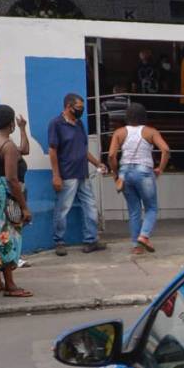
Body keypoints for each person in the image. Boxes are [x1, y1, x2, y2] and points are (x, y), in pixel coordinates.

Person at [0, 103, 32, 297]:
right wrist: (24, 207)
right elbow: (12, 178)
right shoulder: (7, 146)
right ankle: (10, 285)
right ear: (10, 123)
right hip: (5, 192)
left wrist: (23, 129)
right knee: (7, 235)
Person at [48, 93, 109, 257]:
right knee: (63, 209)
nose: (81, 111)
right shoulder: (56, 124)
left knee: (90, 207)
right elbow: (52, 151)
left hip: (82, 173)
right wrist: (56, 175)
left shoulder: (79, 124)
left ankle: (91, 240)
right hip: (67, 175)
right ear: (68, 107)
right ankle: (59, 241)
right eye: (79, 108)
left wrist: (97, 163)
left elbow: (83, 150)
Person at [109, 101, 171, 256]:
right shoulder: (151, 131)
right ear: (144, 117)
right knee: (151, 208)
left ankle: (137, 246)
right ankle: (144, 236)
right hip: (144, 172)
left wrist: (116, 174)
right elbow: (166, 149)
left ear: (127, 117)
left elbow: (111, 156)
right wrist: (160, 169)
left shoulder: (119, 132)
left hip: (125, 173)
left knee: (134, 210)